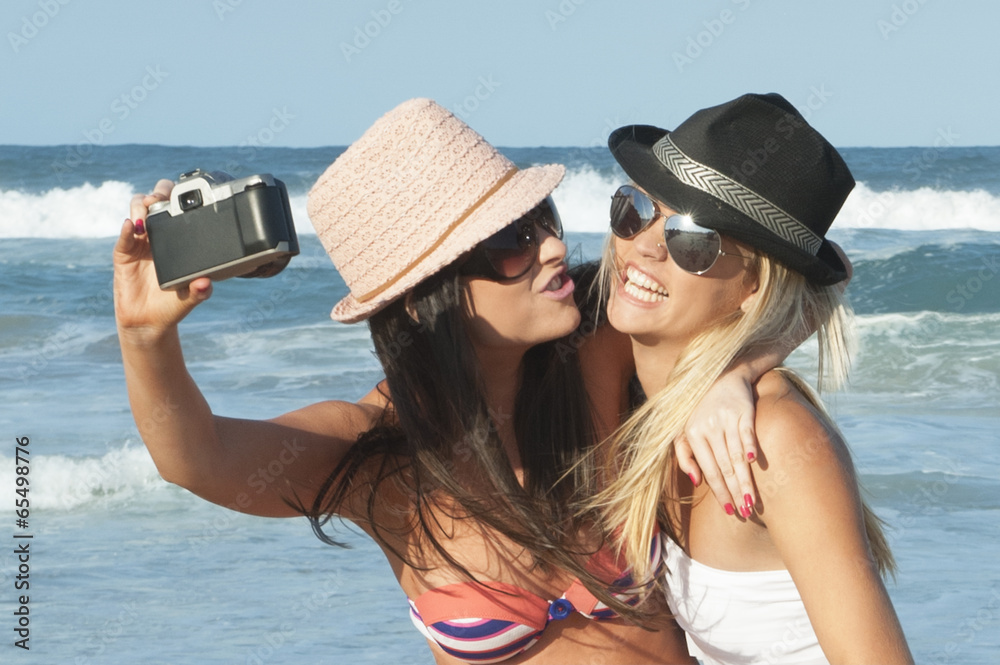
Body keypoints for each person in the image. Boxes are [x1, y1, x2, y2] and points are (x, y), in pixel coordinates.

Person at [114, 98, 774, 664]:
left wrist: (733, 368)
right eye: (512, 239)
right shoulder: (383, 457)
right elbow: (195, 458)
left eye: (542, 217)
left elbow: (779, 279)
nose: (549, 246)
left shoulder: (599, 347)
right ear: (418, 299)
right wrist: (146, 338)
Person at [591, 93, 914, 664]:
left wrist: (743, 367)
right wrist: (743, 364)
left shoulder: (773, 439)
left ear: (752, 290)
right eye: (636, 207)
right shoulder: (627, 385)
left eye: (692, 239)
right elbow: (827, 281)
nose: (642, 246)